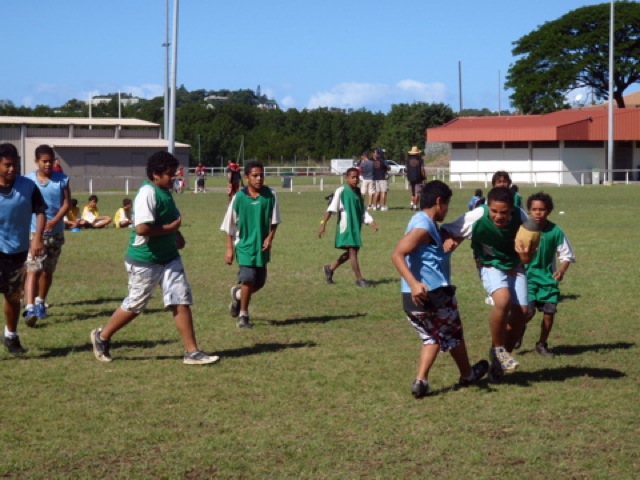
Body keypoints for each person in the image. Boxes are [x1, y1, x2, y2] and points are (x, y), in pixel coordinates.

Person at [90, 151, 219, 365]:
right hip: (145, 260)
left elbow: (168, 218)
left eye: (174, 174)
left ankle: (192, 352)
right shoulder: (147, 194)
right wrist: (171, 230)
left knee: (180, 299)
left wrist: (177, 236)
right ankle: (102, 337)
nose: (173, 178)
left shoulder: (165, 191)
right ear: (155, 174)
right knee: (135, 304)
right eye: (169, 174)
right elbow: (142, 228)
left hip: (169, 257)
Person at [391, 180, 489, 397]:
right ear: (438, 202)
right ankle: (458, 375)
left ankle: (426, 381)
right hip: (432, 294)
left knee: (437, 336)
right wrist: (415, 283)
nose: (447, 209)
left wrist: (448, 246)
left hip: (411, 299)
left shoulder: (424, 222)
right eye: (447, 204)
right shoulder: (423, 226)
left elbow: (428, 257)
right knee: (447, 335)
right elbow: (397, 254)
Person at [441, 187, 533, 382]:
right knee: (502, 300)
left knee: (522, 314)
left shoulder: (521, 216)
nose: (498, 216)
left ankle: (500, 361)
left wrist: (523, 257)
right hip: (490, 264)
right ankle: (498, 349)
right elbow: (446, 229)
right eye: (494, 211)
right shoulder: (477, 215)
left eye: (504, 212)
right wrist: (449, 239)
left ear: (512, 209)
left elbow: (530, 247)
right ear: (487, 206)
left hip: (514, 266)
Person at [221, 161, 280, 329]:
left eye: (261, 175)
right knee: (248, 278)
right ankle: (243, 316)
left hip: (261, 246)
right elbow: (229, 225)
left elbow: (275, 221)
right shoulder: (239, 197)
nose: (259, 178)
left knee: (259, 282)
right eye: (255, 175)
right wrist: (229, 249)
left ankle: (238, 295)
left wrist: (270, 238)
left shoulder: (270, 195)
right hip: (244, 245)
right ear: (246, 178)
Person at [0, 143, 46, 354]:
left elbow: (40, 211)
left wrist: (37, 238)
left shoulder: (27, 186)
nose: (12, 169)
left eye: (15, 165)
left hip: (17, 251)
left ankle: (10, 335)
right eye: (7, 165)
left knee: (12, 297)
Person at [522, 192, 575, 357]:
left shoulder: (555, 231)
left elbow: (567, 255)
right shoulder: (523, 230)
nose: (538, 213)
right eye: (534, 209)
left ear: (549, 211)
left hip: (548, 279)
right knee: (528, 312)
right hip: (527, 278)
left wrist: (561, 270)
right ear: (529, 210)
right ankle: (517, 331)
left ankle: (541, 344)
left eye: (542, 209)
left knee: (549, 313)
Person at [23, 144, 71, 327]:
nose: (48, 165)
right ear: (36, 161)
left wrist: (55, 220)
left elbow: (66, 203)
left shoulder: (62, 179)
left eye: (50, 161)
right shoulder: (28, 180)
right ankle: (29, 308)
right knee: (33, 268)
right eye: (44, 161)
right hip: (34, 232)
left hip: (55, 233)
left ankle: (40, 301)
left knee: (47, 271)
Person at [319, 167, 378, 287]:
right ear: (347, 178)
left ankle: (330, 268)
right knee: (352, 251)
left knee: (353, 251)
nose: (355, 179)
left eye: (357, 177)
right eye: (353, 177)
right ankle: (359, 279)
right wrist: (323, 224)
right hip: (346, 226)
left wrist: (371, 221)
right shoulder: (341, 191)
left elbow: (362, 210)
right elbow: (331, 209)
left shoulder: (358, 192)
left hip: (355, 226)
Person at [405, 146, 426, 211]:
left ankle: (412, 203)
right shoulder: (420, 160)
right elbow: (422, 169)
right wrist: (424, 177)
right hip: (418, 178)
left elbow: (406, 169)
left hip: (410, 178)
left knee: (413, 193)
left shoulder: (408, 160)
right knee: (418, 193)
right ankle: (415, 206)